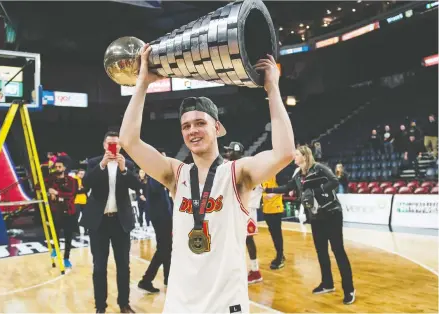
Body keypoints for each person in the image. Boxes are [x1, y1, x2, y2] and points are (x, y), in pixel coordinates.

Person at [119, 43, 295, 313]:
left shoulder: (238, 173)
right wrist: (141, 83)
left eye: (200, 123)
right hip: (181, 303)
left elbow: (284, 153)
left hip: (225, 304)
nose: (192, 131)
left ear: (217, 126)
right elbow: (129, 141)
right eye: (186, 126)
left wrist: (273, 89)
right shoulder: (176, 174)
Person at [265, 145, 356, 305]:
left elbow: (334, 181)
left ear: (305, 156)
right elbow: (288, 187)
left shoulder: (319, 168)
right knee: (321, 251)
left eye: (297, 155)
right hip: (316, 217)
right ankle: (327, 284)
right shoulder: (298, 175)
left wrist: (315, 192)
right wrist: (269, 190)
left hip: (332, 214)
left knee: (338, 251)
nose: (294, 157)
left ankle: (349, 289)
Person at [80, 131, 140, 314]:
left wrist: (123, 170)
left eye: (116, 144)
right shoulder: (94, 163)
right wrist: (102, 165)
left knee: (123, 266)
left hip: (120, 222)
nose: (113, 147)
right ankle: (100, 307)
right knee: (99, 268)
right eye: (110, 144)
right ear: (104, 145)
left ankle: (124, 304)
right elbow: (86, 183)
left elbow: (137, 185)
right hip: (99, 223)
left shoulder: (128, 164)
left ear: (121, 146)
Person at [224, 141, 263, 284]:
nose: (227, 153)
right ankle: (242, 269)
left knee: (247, 238)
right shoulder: (235, 166)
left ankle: (255, 270)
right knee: (239, 239)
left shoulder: (246, 166)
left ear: (236, 152)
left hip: (248, 208)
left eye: (229, 151)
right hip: (240, 207)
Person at [138, 158, 173, 293]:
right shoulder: (154, 175)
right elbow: (157, 187)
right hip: (160, 218)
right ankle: (146, 280)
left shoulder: (156, 175)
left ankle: (167, 278)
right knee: (163, 249)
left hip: (164, 217)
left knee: (167, 248)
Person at [45, 156, 78, 268]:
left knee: (69, 236)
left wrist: (57, 193)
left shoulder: (72, 180)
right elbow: (37, 186)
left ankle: (66, 258)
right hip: (56, 210)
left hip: (69, 211)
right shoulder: (51, 179)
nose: (57, 168)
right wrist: (48, 190)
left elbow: (72, 194)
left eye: (60, 167)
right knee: (55, 231)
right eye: (56, 166)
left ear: (65, 168)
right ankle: (56, 248)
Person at [261, 176, 285, 269]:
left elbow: (285, 188)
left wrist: (273, 194)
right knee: (273, 234)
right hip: (266, 209)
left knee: (277, 234)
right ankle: (280, 254)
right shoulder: (262, 178)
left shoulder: (276, 175)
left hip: (276, 208)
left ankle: (280, 257)